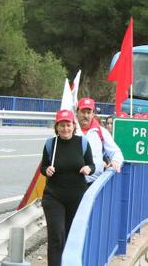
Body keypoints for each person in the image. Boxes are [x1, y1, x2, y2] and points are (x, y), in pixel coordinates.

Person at [41, 110, 95, 266]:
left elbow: (91, 164)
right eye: (62, 125)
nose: (65, 129)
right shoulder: (51, 144)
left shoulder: (82, 143)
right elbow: (43, 167)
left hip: (76, 197)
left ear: (73, 126)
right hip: (54, 197)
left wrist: (88, 169)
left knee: (72, 236)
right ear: (56, 127)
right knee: (56, 235)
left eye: (68, 125)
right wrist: (47, 171)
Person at [76, 98, 124, 185]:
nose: (86, 115)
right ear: (77, 112)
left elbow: (116, 152)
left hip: (93, 183)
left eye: (89, 112)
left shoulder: (101, 132)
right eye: (83, 112)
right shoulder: (69, 131)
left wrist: (115, 161)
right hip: (72, 182)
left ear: (93, 114)